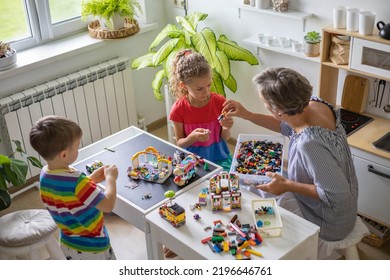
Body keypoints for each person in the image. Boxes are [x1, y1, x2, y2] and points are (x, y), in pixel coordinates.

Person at [223, 67, 358, 259]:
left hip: (329, 221)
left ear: (278, 111)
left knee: (251, 186)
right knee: (256, 181)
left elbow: (337, 195)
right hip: (343, 209)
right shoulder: (315, 105)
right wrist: (247, 114)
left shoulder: (309, 144)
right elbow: (285, 126)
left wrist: (287, 185)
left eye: (264, 104)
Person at [29, 115, 118, 260]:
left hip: (67, 242)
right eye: (77, 146)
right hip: (93, 247)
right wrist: (111, 178)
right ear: (64, 154)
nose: (78, 148)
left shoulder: (44, 174)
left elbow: (68, 195)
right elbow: (108, 205)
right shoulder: (77, 181)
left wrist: (91, 180)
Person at [169, 49, 234, 171]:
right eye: (199, 89)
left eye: (209, 85)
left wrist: (226, 128)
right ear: (183, 86)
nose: (206, 92)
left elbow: (225, 138)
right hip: (193, 163)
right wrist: (192, 138)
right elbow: (180, 143)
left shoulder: (219, 102)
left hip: (220, 159)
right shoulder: (178, 110)